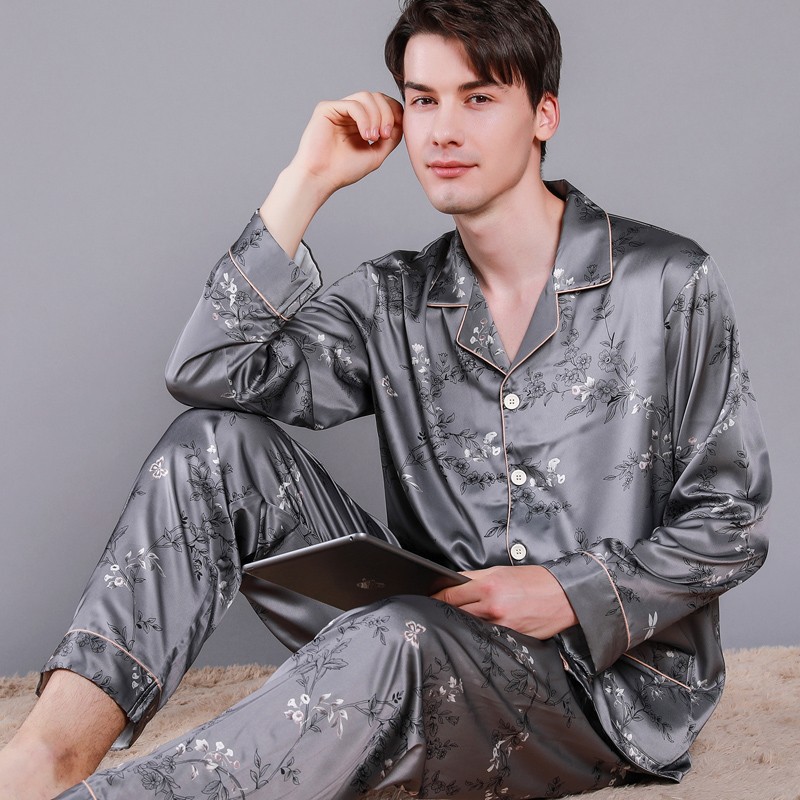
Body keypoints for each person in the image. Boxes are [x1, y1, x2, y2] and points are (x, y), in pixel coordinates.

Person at [0, 0, 771, 798]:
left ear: (544, 114)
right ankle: (42, 760)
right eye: (424, 100)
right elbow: (209, 370)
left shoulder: (665, 282)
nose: (443, 131)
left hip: (602, 691)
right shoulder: (394, 297)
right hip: (424, 633)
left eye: (478, 98)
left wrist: (569, 591)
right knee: (212, 445)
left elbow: (732, 521)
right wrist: (306, 180)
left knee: (400, 637)